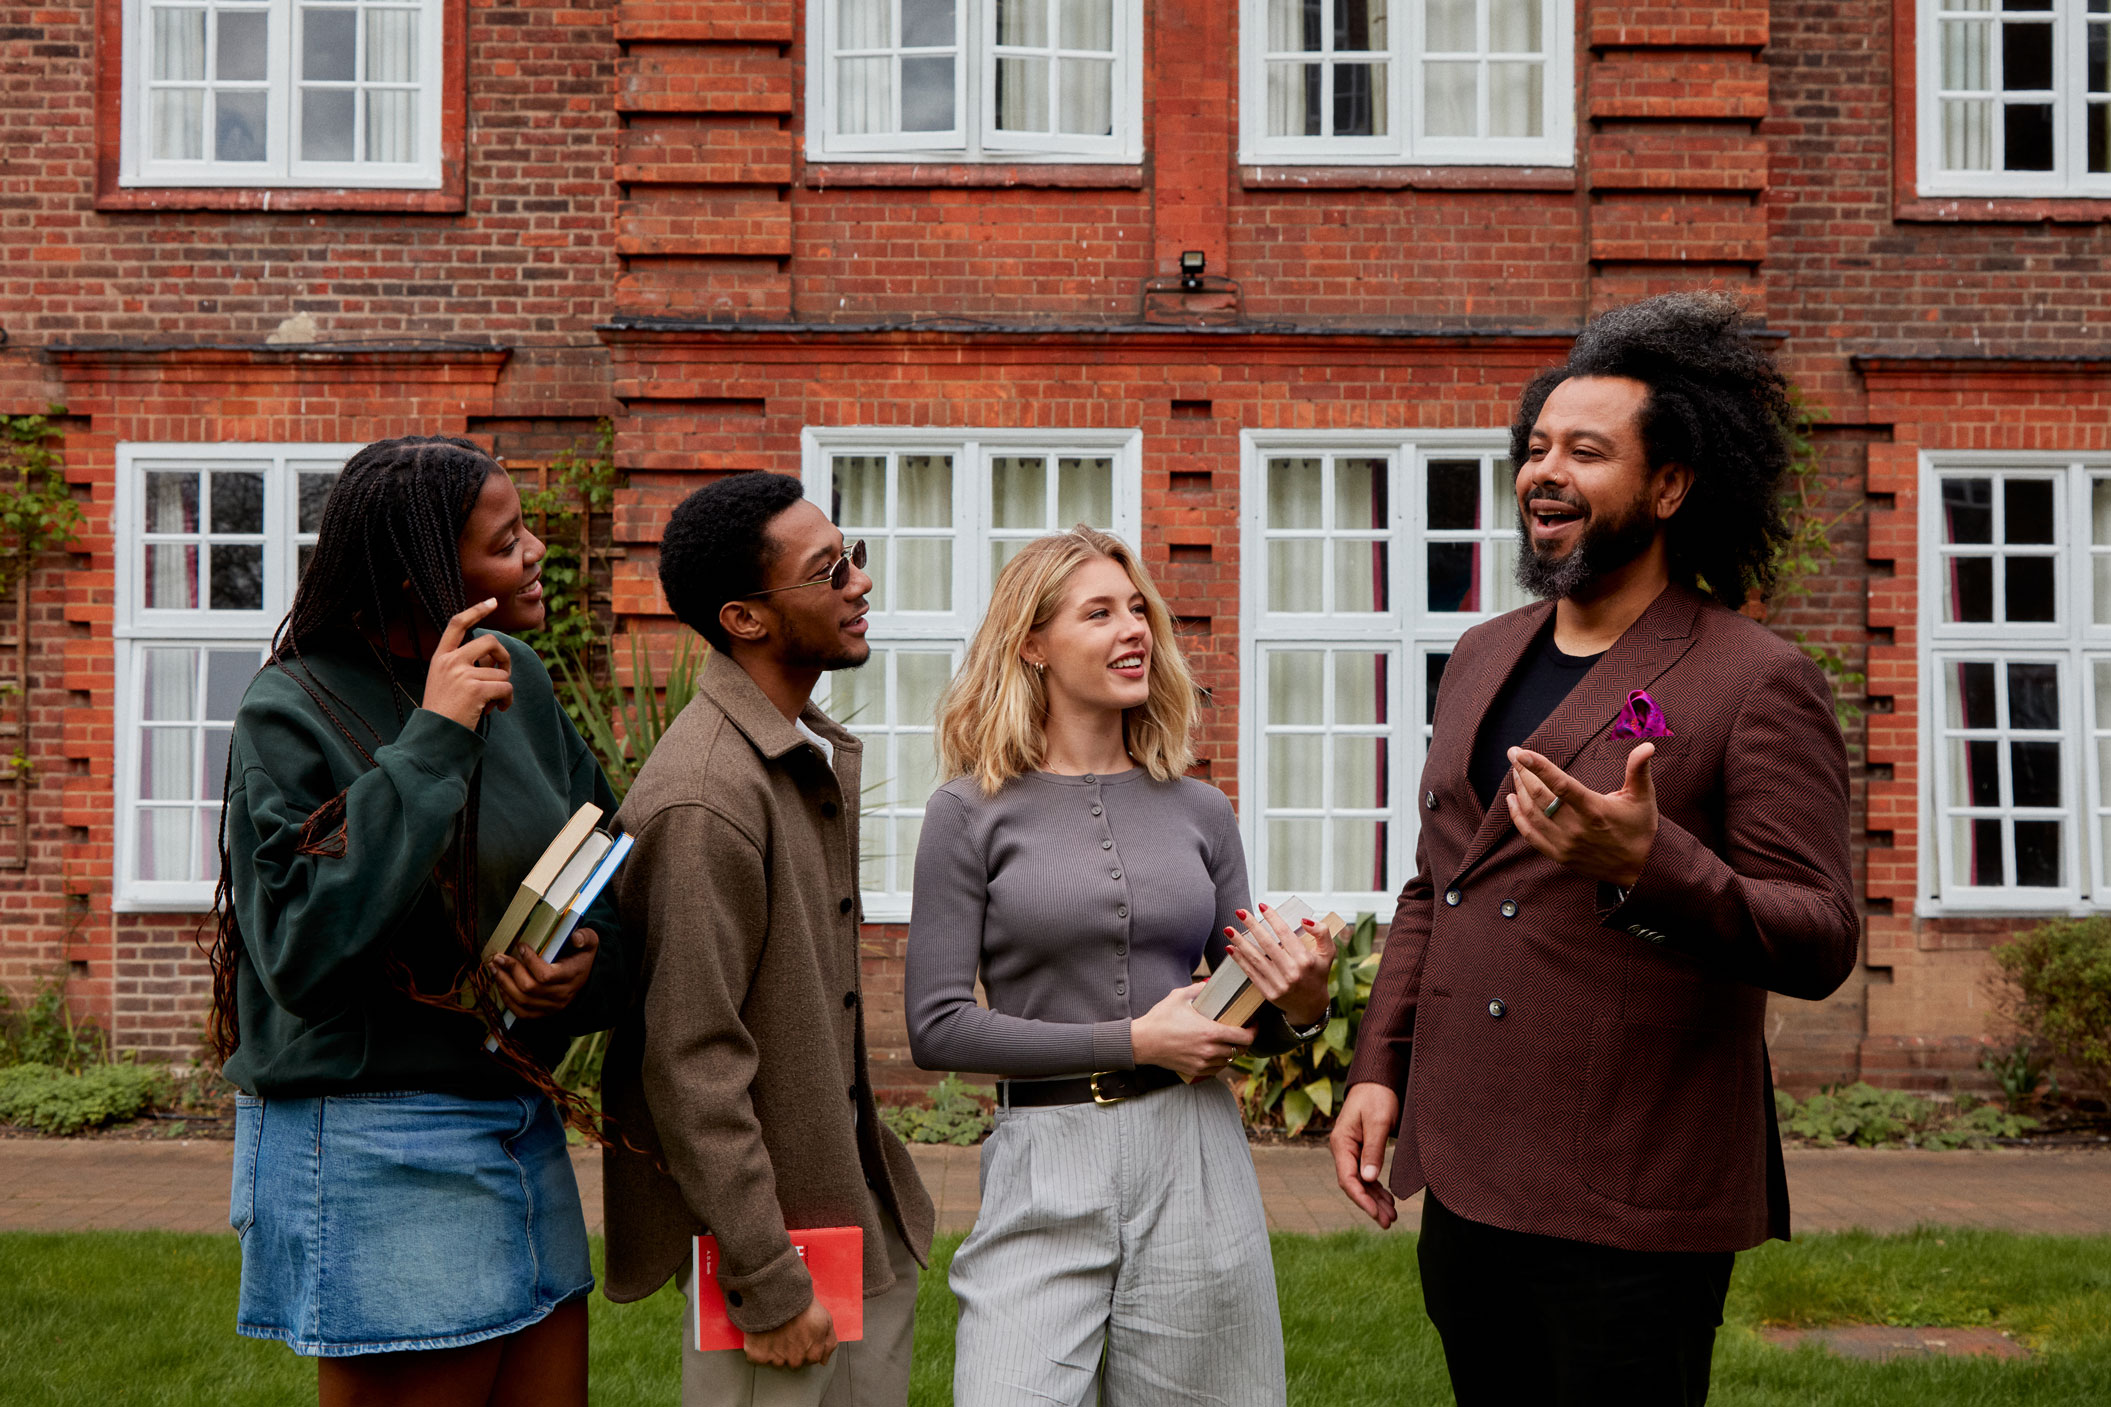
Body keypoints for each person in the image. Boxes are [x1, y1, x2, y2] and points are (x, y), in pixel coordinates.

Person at [1329, 293, 1860, 1406]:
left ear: (1668, 487)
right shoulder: (1478, 655)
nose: (1543, 473)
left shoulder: (1752, 679)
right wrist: (1380, 1067)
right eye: (1533, 450)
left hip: (1632, 1195)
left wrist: (1647, 863)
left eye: (1585, 451)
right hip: (1468, 1179)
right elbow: (1438, 885)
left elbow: (1817, 937)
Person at [210, 435, 630, 1406]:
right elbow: (299, 955)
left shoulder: (517, 676)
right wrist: (434, 738)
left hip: (513, 1117)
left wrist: (584, 966)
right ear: (420, 574)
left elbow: (600, 855)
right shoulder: (292, 709)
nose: (533, 556)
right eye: (505, 541)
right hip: (373, 1138)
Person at [907, 527, 1336, 1407]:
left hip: (1195, 1156)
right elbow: (936, 1024)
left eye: (1137, 608)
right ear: (1032, 644)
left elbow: (1233, 1015)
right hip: (1043, 1157)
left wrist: (1301, 999)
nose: (1133, 628)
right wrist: (1133, 1038)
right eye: (1098, 612)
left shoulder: (1202, 810)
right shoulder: (966, 812)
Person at [601, 470, 935, 1407]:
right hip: (777, 1275)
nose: (858, 582)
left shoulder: (782, 758)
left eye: (852, 555)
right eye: (828, 569)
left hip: (843, 1234)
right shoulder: (710, 795)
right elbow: (691, 1061)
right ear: (744, 619)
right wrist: (767, 1279)